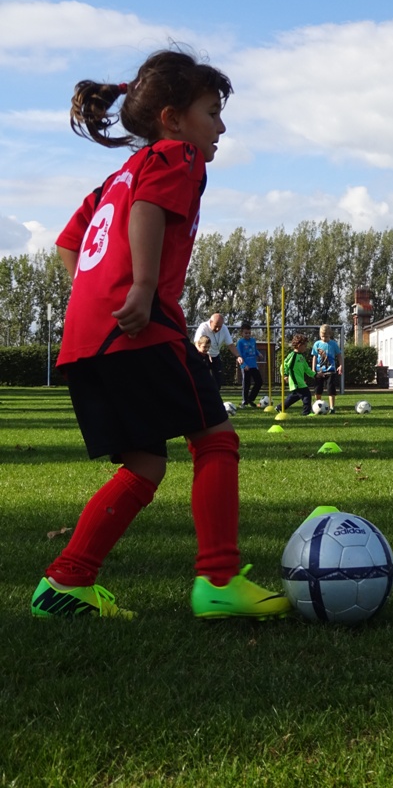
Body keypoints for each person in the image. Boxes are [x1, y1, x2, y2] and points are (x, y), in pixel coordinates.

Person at [30, 48, 290, 621]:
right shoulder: (178, 155)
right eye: (212, 113)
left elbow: (69, 243)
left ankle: (65, 583)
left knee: (145, 466)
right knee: (216, 438)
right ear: (173, 118)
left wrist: (96, 296)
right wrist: (142, 288)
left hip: (87, 340)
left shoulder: (113, 179)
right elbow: (148, 208)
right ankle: (218, 579)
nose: (221, 128)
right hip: (141, 329)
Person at [194, 313, 242, 389]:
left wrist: (238, 356)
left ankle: (214, 395)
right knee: (202, 380)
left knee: (218, 382)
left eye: (220, 327)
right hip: (203, 356)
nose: (218, 329)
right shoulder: (203, 327)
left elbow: (230, 345)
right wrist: (205, 354)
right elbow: (197, 343)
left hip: (216, 356)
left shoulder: (224, 328)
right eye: (216, 326)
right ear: (210, 322)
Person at [275, 334, 315, 416]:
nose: (306, 347)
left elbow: (306, 368)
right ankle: (306, 412)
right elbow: (283, 366)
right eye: (305, 346)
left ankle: (280, 407)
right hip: (295, 381)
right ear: (299, 345)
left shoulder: (301, 357)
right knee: (306, 394)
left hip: (299, 380)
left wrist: (315, 375)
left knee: (294, 396)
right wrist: (285, 375)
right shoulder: (292, 356)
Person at [311, 324, 343, 413]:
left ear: (330, 334)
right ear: (320, 335)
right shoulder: (317, 344)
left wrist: (341, 365)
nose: (324, 338)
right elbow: (314, 356)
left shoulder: (333, 344)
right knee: (318, 389)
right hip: (319, 371)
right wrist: (313, 369)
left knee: (331, 388)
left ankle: (332, 407)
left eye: (326, 336)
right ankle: (317, 406)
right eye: (322, 336)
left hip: (330, 370)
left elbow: (339, 355)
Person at [237, 321, 263, 407]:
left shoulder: (253, 340)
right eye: (246, 333)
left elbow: (254, 349)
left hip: (253, 365)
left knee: (259, 382)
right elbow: (239, 355)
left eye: (249, 333)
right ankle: (244, 401)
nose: (247, 335)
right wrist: (244, 365)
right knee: (246, 384)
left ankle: (250, 399)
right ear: (242, 333)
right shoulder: (240, 342)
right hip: (246, 366)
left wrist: (258, 353)